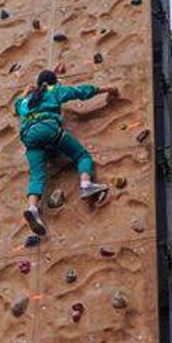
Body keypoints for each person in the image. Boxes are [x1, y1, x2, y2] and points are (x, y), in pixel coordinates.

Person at [15, 67, 119, 235]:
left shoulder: (28, 100)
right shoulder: (54, 91)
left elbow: (17, 106)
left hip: (29, 137)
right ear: (53, 83)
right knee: (81, 155)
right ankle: (86, 184)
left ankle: (33, 208)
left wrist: (25, 91)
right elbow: (80, 92)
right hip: (48, 129)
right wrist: (107, 89)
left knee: (36, 175)